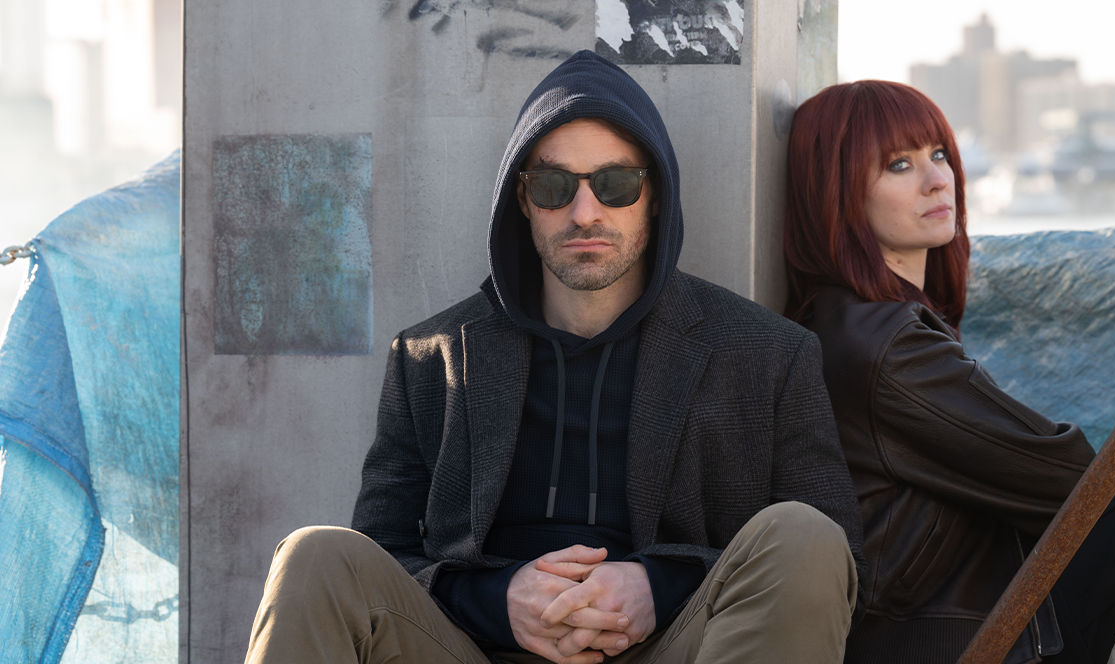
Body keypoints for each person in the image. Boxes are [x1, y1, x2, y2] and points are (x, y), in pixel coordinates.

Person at [243, 51, 866, 664]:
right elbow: (384, 553)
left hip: (679, 646)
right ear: (522, 198)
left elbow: (843, 573)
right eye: (554, 185)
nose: (584, 212)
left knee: (806, 537)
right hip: (469, 651)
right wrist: (496, 598)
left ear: (654, 195)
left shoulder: (766, 354)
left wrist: (658, 586)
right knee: (314, 556)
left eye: (616, 184)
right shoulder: (431, 358)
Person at [782, 79, 1115, 664]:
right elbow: (1065, 476)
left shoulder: (858, 325)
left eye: (938, 154)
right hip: (967, 641)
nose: (937, 178)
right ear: (838, 193)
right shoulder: (883, 349)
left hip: (988, 618)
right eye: (898, 165)